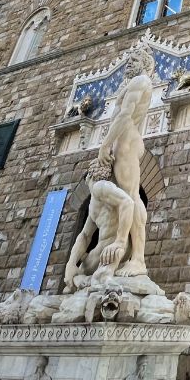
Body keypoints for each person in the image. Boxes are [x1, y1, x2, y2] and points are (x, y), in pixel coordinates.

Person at [64, 45, 153, 289]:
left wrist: (105, 144)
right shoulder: (132, 83)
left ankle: (138, 259)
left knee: (131, 196)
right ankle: (128, 255)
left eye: (134, 60)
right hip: (122, 141)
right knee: (125, 196)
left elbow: (125, 116)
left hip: (125, 142)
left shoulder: (141, 81)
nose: (129, 64)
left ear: (145, 63)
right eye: (128, 60)